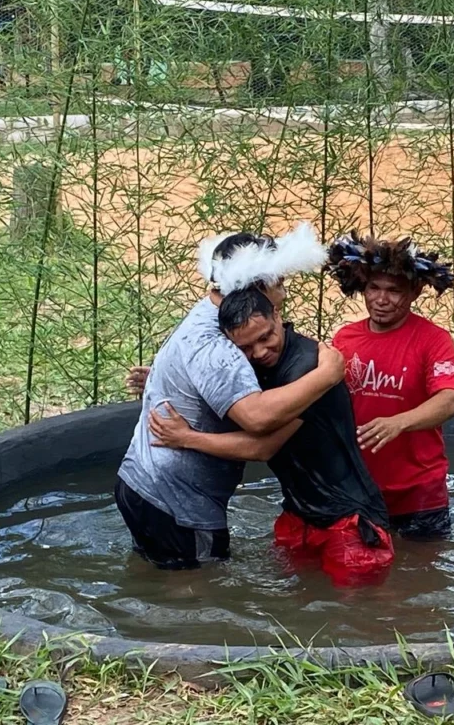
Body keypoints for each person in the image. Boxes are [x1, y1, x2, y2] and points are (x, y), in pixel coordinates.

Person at [115, 223, 346, 570]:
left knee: (159, 586)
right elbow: (257, 420)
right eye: (279, 285)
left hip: (145, 484)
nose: (283, 295)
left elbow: (206, 377)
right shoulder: (216, 343)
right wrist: (327, 376)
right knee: (198, 600)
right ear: (255, 288)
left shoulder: (209, 314)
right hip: (177, 501)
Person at [148, 287, 394, 588]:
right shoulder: (259, 365)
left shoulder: (310, 368)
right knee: (299, 613)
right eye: (246, 348)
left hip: (351, 521)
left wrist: (186, 438)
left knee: (361, 615)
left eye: (265, 337)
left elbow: (262, 447)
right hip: (299, 516)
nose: (260, 353)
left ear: (277, 315)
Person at [325, 232, 454, 541]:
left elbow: (450, 400)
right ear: (363, 286)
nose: (381, 299)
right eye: (374, 288)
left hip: (419, 491)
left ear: (414, 292)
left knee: (421, 577)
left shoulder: (434, 340)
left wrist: (398, 423)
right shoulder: (345, 338)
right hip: (359, 485)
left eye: (393, 291)